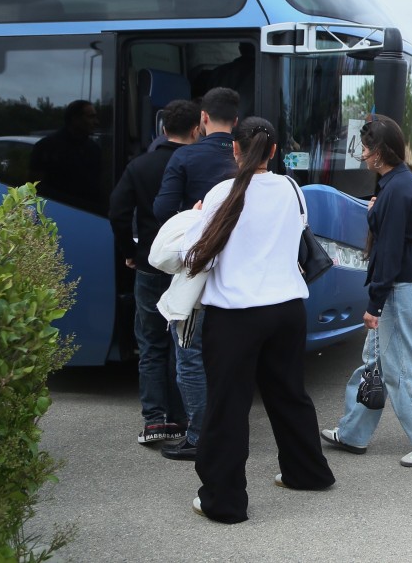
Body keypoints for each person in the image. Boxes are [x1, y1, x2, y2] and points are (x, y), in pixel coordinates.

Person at [180, 117, 335, 523]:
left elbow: (200, 258)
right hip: (286, 310)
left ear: (234, 149)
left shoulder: (221, 195)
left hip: (235, 316)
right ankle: (307, 472)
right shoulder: (291, 188)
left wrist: (195, 219)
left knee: (228, 407)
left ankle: (224, 501)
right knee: (289, 394)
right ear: (273, 150)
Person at [322, 115, 412, 467]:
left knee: (407, 367)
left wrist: (374, 304)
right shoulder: (406, 184)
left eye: (365, 148)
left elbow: (391, 250)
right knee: (375, 364)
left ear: (379, 152)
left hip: (402, 287)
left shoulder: (395, 189)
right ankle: (353, 433)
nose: (362, 154)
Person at [153, 86, 241, 462]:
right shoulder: (249, 162)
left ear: (202, 119)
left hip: (199, 277)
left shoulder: (185, 158)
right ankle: (228, 427)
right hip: (240, 277)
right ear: (235, 122)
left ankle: (199, 434)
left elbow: (162, 210)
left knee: (190, 356)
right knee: (229, 357)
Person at [108, 98, 200, 447]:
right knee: (184, 342)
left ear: (163, 129)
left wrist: (130, 253)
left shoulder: (140, 165)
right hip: (188, 268)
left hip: (148, 265)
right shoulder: (199, 164)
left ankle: (154, 421)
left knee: (150, 345)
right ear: (197, 129)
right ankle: (184, 416)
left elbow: (117, 212)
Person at [29, 99, 103, 210]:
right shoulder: (47, 147)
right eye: (91, 117)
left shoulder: (94, 149)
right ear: (75, 119)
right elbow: (34, 187)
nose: (96, 122)